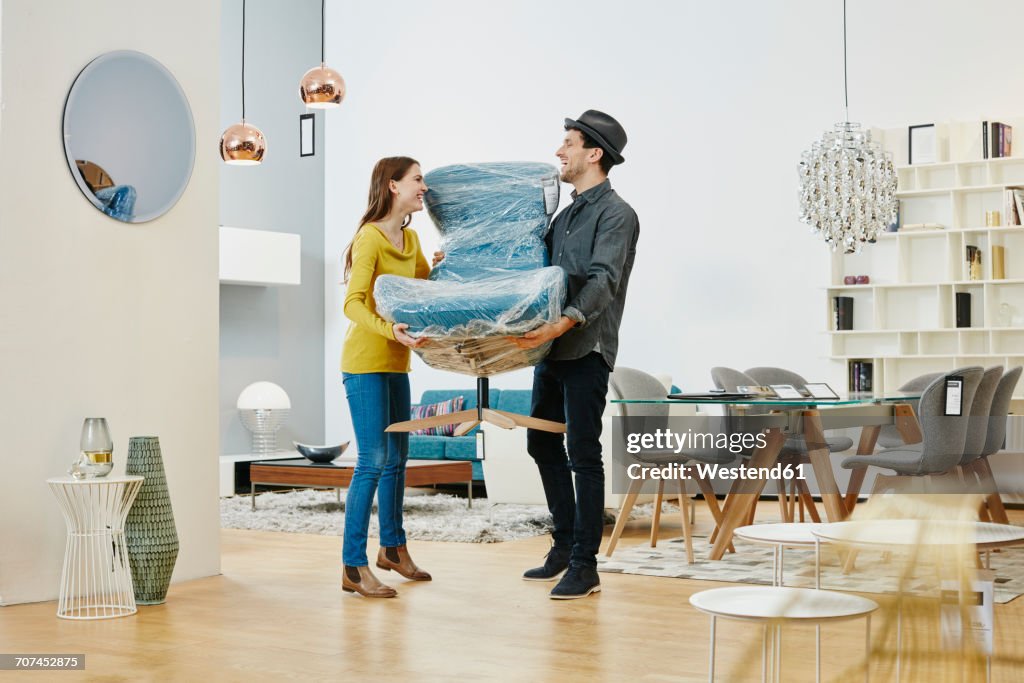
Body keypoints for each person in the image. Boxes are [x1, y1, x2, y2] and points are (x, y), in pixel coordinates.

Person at [511, 110, 639, 599]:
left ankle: (585, 565)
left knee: (582, 453)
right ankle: (563, 546)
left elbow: (604, 279)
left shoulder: (617, 214)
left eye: (567, 143)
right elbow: (532, 268)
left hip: (586, 347)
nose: (559, 152)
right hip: (550, 347)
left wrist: (564, 320)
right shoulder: (563, 216)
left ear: (594, 153)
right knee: (540, 443)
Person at [340, 156, 432, 598]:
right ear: (393, 186)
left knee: (398, 460)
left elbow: (424, 294)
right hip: (365, 363)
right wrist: (388, 329)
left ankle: (393, 549)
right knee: (372, 461)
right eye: (417, 179)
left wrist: (440, 266)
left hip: (397, 363)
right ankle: (353, 567)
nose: (424, 186)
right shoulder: (369, 239)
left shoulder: (411, 239)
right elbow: (353, 303)